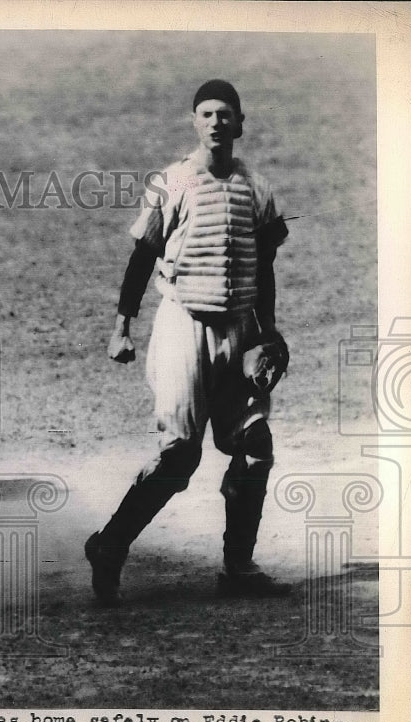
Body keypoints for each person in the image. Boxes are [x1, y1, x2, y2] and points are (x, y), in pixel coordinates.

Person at [85, 80, 291, 606]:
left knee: (254, 446)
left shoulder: (258, 189)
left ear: (240, 123)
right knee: (179, 456)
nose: (217, 122)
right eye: (207, 114)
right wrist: (122, 327)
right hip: (183, 325)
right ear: (194, 122)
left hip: (240, 329)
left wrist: (268, 332)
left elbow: (263, 267)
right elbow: (141, 256)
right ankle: (109, 547)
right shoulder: (172, 182)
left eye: (226, 114)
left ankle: (238, 567)